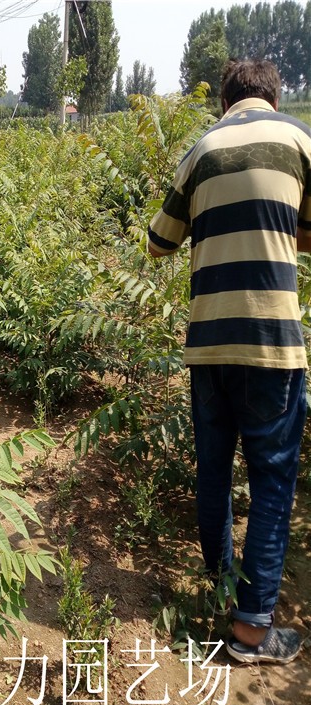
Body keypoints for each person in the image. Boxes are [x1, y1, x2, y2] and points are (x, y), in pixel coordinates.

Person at [147, 59, 311, 664]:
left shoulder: (201, 151)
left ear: (225, 102)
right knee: (271, 477)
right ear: (272, 96)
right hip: (272, 344)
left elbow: (158, 241)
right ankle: (250, 629)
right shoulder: (300, 140)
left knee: (213, 469)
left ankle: (221, 584)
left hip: (209, 345)